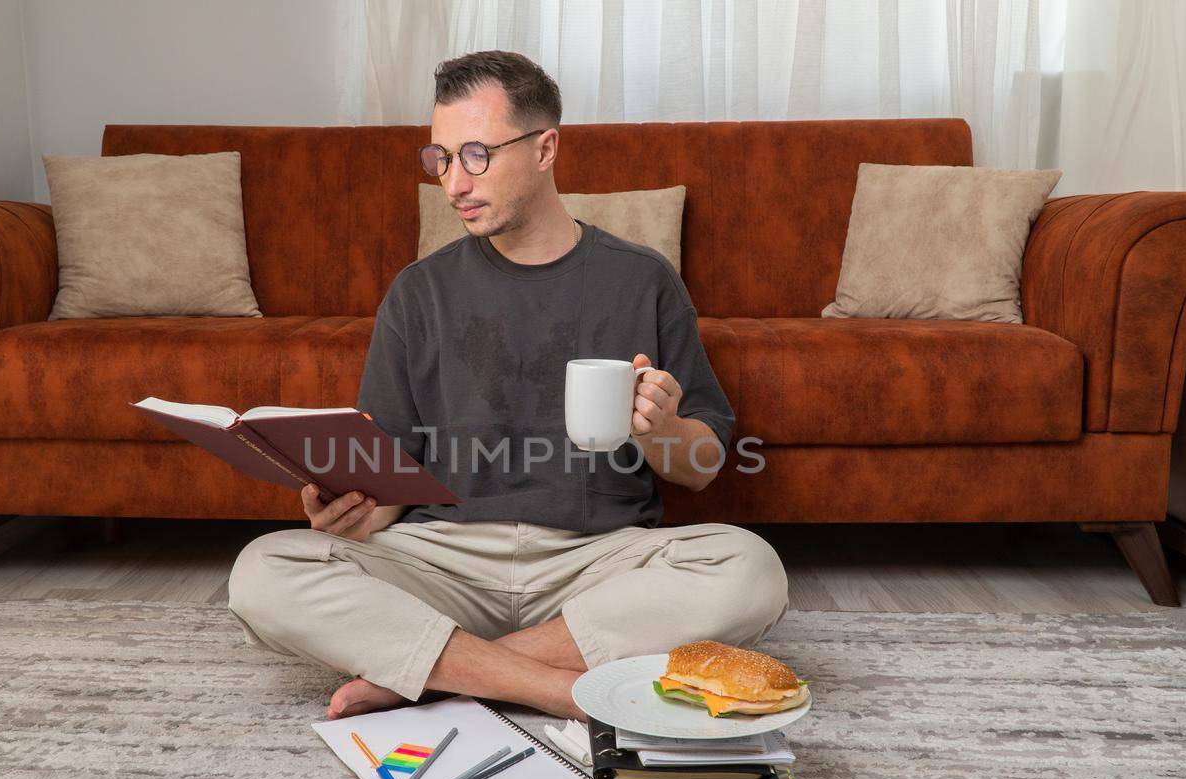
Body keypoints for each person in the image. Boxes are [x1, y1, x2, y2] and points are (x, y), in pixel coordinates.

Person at [227, 50, 788, 721]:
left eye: (475, 155)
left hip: (595, 561)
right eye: (439, 159)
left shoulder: (642, 280)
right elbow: (388, 485)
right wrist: (347, 512)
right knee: (263, 571)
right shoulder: (417, 292)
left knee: (750, 569)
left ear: (546, 147)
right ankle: (553, 688)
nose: (453, 183)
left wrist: (663, 430)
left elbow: (701, 466)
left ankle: (439, 674)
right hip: (442, 560)